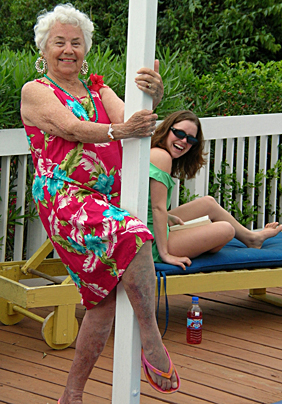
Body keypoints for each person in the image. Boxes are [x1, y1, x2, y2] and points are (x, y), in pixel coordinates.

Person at [20, 4, 180, 402]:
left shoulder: (98, 89)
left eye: (76, 42)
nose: (68, 49)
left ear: (86, 48)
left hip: (103, 199)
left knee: (103, 301)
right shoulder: (36, 91)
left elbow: (138, 124)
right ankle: (152, 338)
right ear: (44, 50)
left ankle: (71, 394)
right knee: (136, 233)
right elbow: (70, 128)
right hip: (65, 199)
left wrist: (153, 94)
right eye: (59, 42)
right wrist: (118, 129)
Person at [148, 110, 282, 270]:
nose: (183, 141)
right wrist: (164, 254)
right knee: (225, 230)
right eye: (179, 133)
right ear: (166, 129)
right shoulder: (161, 157)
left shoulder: (154, 153)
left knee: (208, 203)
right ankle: (165, 250)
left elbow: (151, 203)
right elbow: (157, 208)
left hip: (147, 225)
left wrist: (168, 216)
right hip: (150, 241)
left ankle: (251, 238)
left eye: (191, 139)